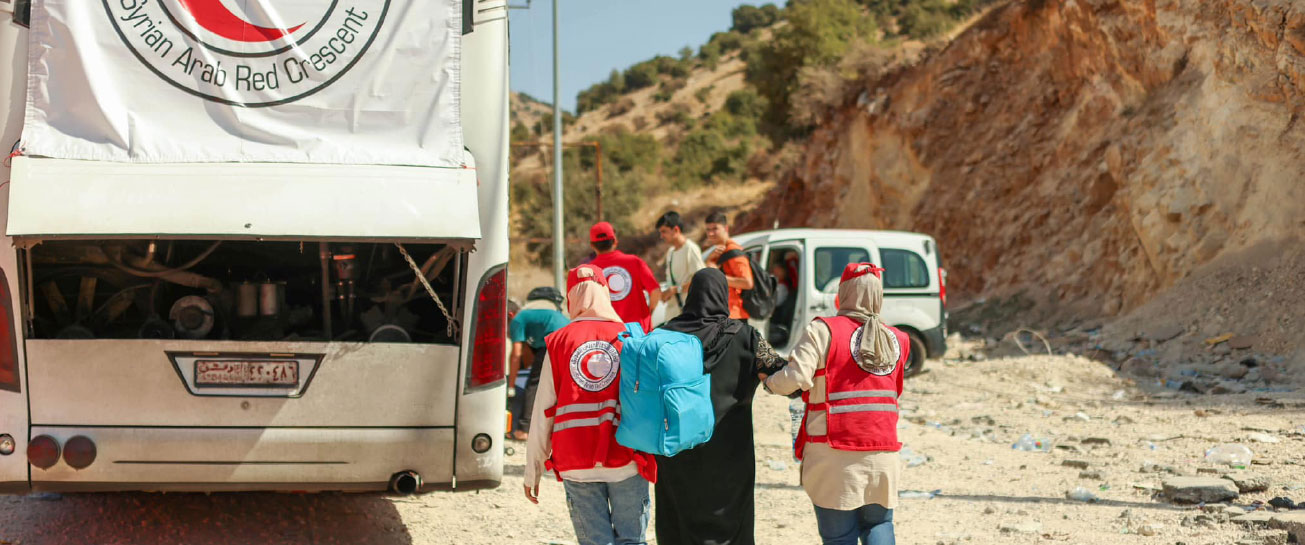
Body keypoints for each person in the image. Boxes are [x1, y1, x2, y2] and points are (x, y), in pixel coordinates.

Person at [761, 263, 910, 545]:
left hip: (833, 456)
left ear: (840, 295)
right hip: (884, 454)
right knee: (879, 524)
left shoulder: (822, 330)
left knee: (839, 537)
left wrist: (769, 382)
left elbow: (795, 378)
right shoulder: (899, 339)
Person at [524, 264, 657, 545]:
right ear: (606, 294)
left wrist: (533, 468)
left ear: (572, 296)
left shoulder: (557, 341)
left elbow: (544, 410)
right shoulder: (630, 336)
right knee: (632, 540)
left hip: (575, 460)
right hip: (626, 456)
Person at [654, 268, 785, 545]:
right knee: (731, 518)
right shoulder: (745, 336)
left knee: (677, 515)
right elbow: (781, 374)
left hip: (676, 449)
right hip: (729, 451)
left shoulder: (663, 335)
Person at [507, 287, 569, 441]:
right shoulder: (535, 318)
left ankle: (523, 430)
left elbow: (516, 354)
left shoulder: (517, 320)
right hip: (569, 336)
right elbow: (529, 356)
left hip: (556, 339)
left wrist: (511, 386)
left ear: (509, 315)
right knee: (561, 385)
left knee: (534, 384)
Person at [587, 221, 662, 332]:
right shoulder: (634, 262)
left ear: (592, 245)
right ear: (615, 241)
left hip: (608, 336)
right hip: (638, 332)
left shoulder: (588, 271)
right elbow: (655, 291)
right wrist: (648, 313)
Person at [656, 211, 705, 323]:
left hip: (690, 316)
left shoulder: (690, 249)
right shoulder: (671, 252)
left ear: (676, 230)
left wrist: (675, 289)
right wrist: (666, 293)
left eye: (664, 231)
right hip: (674, 316)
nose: (661, 236)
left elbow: (701, 280)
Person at [703, 212, 753, 320]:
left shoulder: (733, 251)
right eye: (708, 230)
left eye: (715, 229)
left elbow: (747, 283)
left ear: (726, 228)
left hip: (734, 316)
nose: (711, 233)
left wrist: (717, 275)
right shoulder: (718, 251)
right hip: (721, 313)